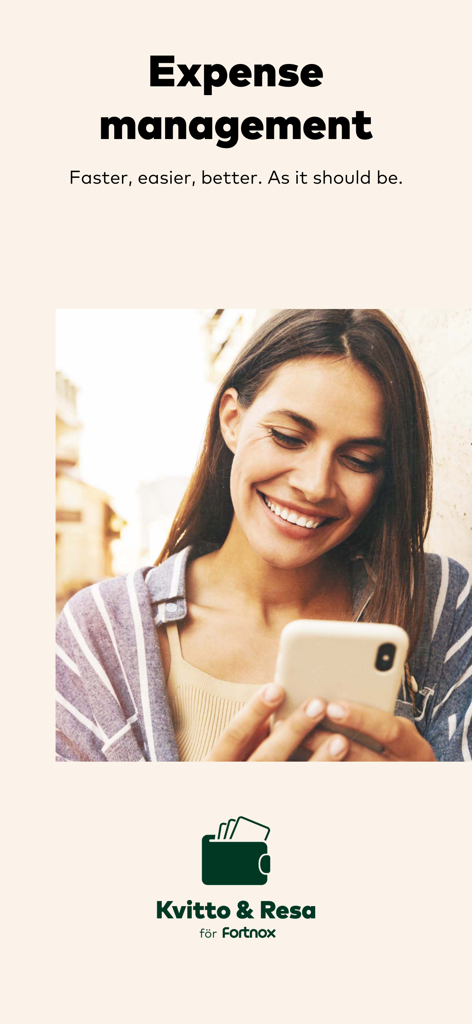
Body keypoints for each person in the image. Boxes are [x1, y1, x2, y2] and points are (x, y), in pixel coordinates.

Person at [56, 309, 472, 762]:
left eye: (358, 460)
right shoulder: (99, 631)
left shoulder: (438, 605)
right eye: (289, 437)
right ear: (232, 419)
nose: (315, 485)